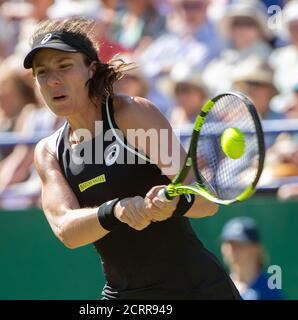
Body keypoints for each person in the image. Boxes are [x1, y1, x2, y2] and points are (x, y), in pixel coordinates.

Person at [26, 16, 240, 300]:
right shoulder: (49, 152)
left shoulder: (132, 115)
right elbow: (66, 230)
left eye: (65, 67)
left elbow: (206, 201)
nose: (53, 80)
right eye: (42, 73)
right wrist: (116, 211)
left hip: (196, 289)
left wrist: (175, 202)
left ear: (91, 69)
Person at [220, 217, 284, 300]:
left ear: (256, 248)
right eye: (229, 244)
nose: (232, 250)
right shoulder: (219, 286)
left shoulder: (269, 290)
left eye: (239, 245)